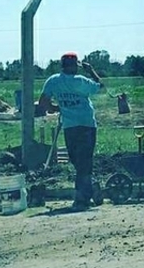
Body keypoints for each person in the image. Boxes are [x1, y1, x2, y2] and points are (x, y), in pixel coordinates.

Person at [35, 52, 105, 210]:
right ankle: (90, 189)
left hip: (71, 127)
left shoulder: (53, 81)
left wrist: (55, 108)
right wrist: (91, 70)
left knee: (79, 162)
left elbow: (43, 102)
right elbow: (100, 86)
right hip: (86, 125)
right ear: (75, 66)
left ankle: (82, 198)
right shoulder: (81, 81)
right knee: (83, 162)